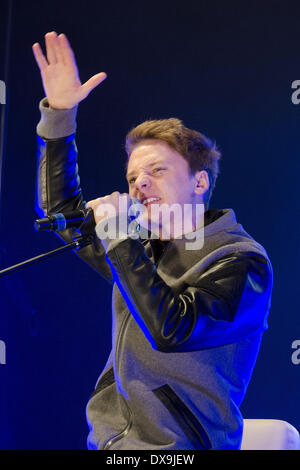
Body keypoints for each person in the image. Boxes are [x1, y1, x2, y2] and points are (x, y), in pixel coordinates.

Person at [32, 31, 273, 450]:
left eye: (157, 171)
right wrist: (61, 115)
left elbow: (174, 328)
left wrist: (119, 237)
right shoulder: (137, 246)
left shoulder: (242, 261)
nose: (139, 182)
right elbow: (61, 214)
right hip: (109, 446)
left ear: (200, 181)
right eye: (132, 177)